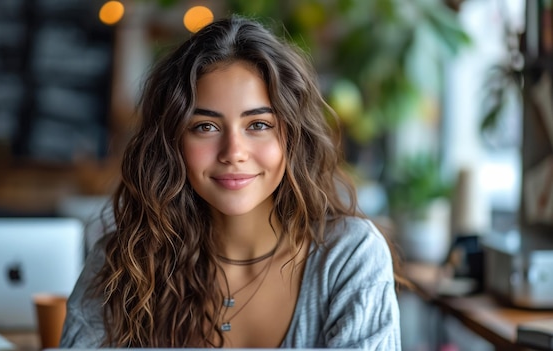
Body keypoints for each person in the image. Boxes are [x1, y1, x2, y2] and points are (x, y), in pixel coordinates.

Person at [60, 15, 404, 349]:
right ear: (171, 143)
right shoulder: (126, 261)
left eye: (258, 125)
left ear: (293, 137)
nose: (233, 152)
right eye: (205, 127)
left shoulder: (348, 257)